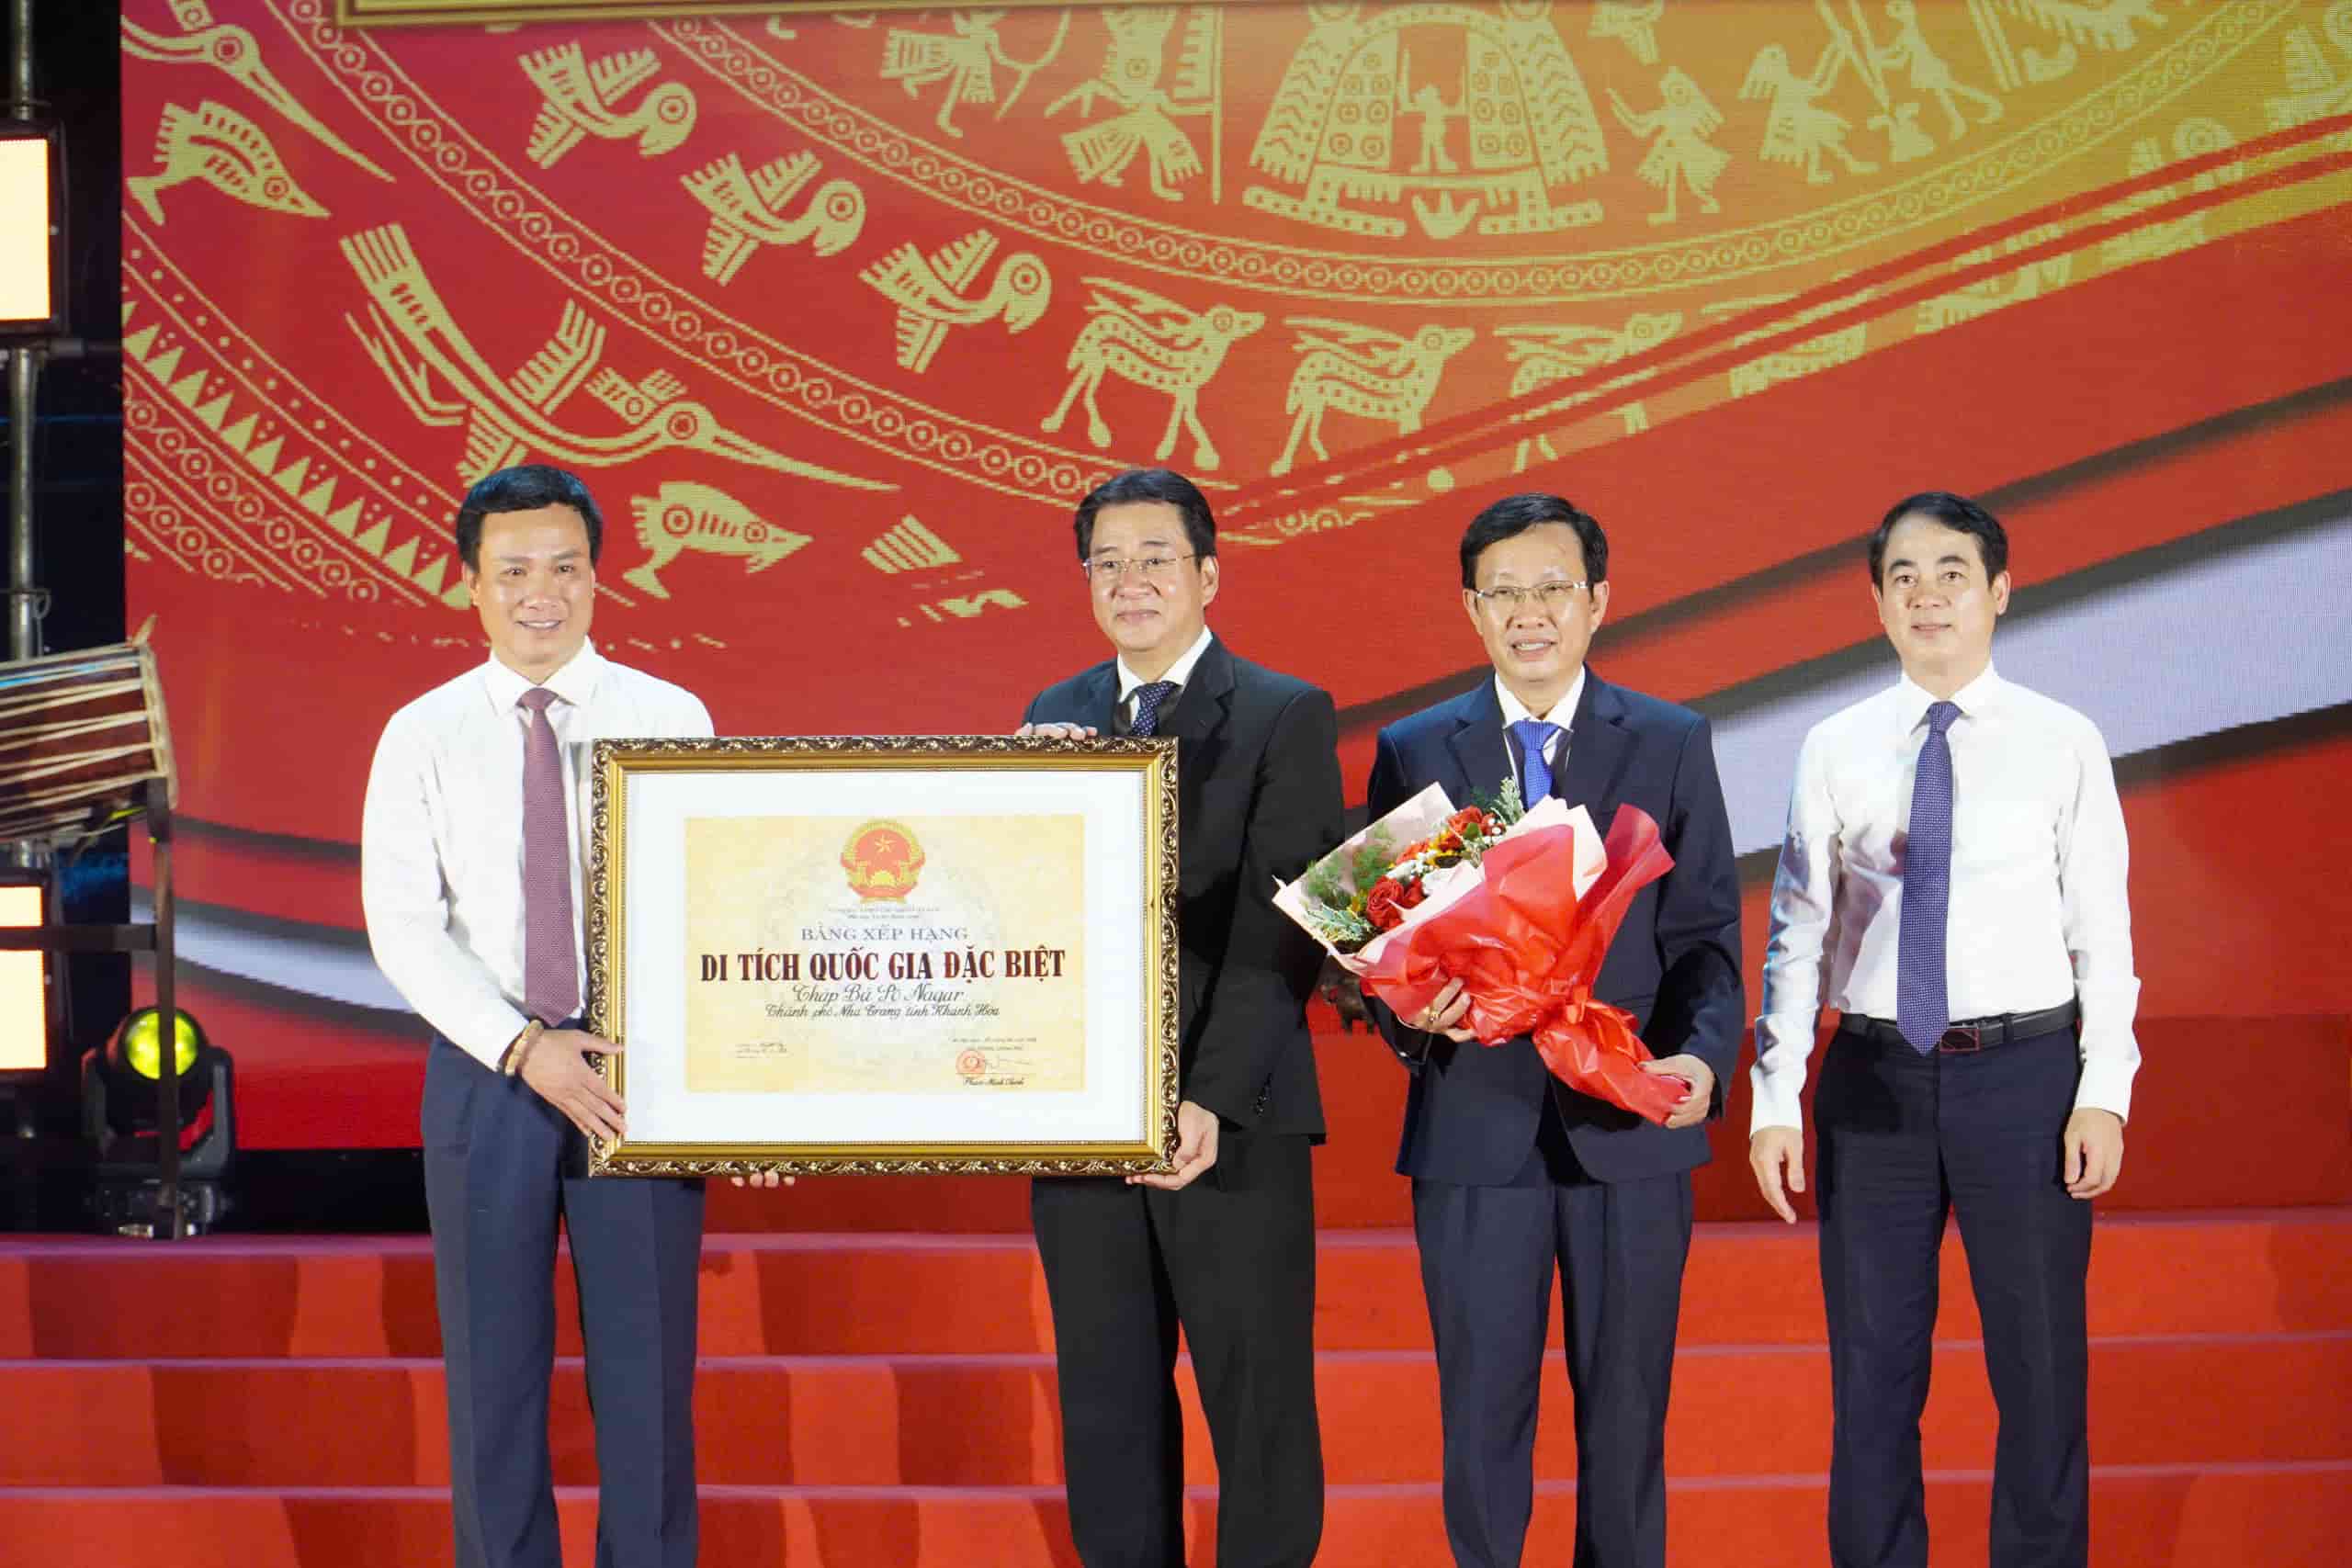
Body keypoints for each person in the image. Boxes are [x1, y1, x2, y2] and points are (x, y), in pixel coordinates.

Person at [363, 463, 750, 1568]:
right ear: (470, 587)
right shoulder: (422, 733)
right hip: (489, 1072)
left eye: (566, 569)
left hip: (641, 1069)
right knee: (493, 1376)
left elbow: (708, 900)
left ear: (597, 577)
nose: (544, 594)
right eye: (515, 571)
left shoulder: (669, 714)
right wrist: (524, 1048)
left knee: (649, 1376)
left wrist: (740, 1081)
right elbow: (403, 927)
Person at [1748, 491, 2137, 1568]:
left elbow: (2102, 928)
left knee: (2041, 1368)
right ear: (1876, 602)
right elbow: (1797, 931)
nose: (1927, 596)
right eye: (1904, 577)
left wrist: (2103, 1088)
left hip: (2024, 1079)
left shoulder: (2064, 741)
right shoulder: (1833, 744)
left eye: (1951, 573)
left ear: (2000, 592)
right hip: (1873, 1081)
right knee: (1872, 1374)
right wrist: (1775, 1100)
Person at [1363, 492, 1743, 1568]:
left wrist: (1704, 1059)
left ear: (1597, 602)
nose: (1529, 614)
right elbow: (1379, 942)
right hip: (1474, 1126)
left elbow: (1707, 933)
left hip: (1627, 1119)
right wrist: (1408, 1019)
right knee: (1482, 1418)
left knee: (1625, 1418)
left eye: (1552, 590)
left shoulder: (1670, 740)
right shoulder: (1414, 747)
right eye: (1504, 594)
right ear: (1472, 610)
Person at [1018, 467, 1342, 1568]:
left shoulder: (1281, 713)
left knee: (1255, 1409)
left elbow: (1285, 925)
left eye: (1155, 557)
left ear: (1207, 574)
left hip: (1231, 1115)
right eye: (1106, 562)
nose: (1130, 581)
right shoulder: (1052, 715)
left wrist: (1206, 1092)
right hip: (1080, 1119)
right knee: (1106, 1407)